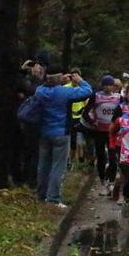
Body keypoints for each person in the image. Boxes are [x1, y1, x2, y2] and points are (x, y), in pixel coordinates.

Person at [35, 65, 93, 207]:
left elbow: (44, 85)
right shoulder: (65, 92)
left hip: (44, 131)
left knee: (43, 165)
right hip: (61, 132)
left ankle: (41, 194)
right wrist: (79, 80)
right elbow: (88, 91)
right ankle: (53, 198)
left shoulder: (40, 91)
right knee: (58, 166)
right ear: (59, 77)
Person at [81, 76, 122, 195]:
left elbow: (124, 112)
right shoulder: (96, 96)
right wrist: (93, 122)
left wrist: (120, 124)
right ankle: (103, 180)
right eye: (106, 85)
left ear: (114, 86)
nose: (108, 87)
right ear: (102, 85)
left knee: (113, 158)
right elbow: (85, 113)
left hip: (112, 132)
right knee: (101, 158)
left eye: (110, 85)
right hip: (99, 132)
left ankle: (111, 182)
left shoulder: (118, 97)